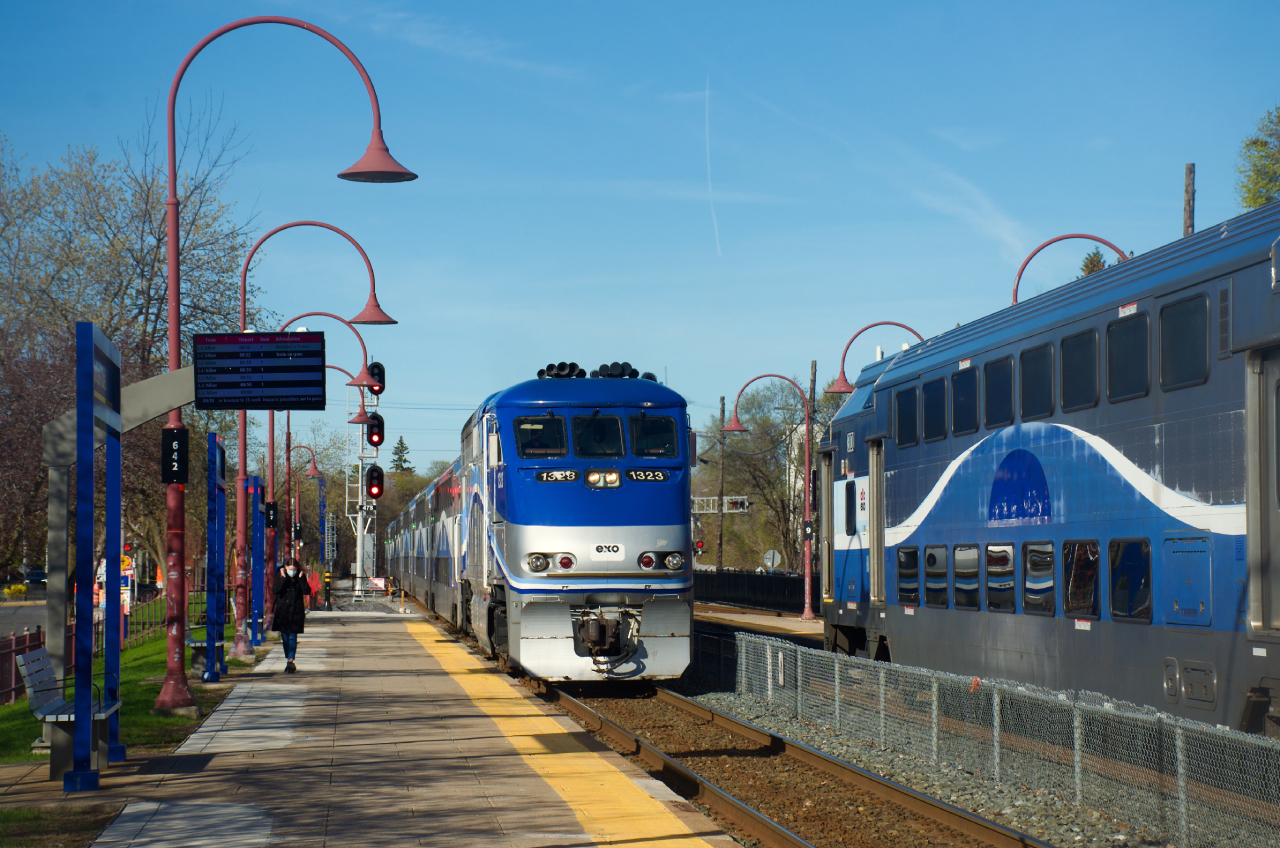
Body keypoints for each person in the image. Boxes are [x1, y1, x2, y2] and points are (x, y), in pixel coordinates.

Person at [273, 558, 312, 673]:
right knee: (285, 637)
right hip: (283, 611)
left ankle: (290, 660)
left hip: (296, 611)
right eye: (290, 570)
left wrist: (301, 579)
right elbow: (275, 590)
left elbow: (307, 591)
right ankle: (288, 658)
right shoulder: (280, 574)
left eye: (294, 570)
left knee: (292, 636)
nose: (292, 572)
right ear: (285, 568)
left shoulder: (300, 576)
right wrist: (283, 578)